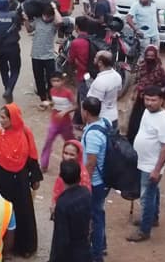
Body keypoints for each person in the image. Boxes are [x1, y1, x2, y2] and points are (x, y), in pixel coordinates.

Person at [0, 104, 42, 257]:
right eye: (0, 117)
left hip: (21, 181)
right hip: (3, 182)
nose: (1, 121)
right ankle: (4, 247)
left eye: (4, 118)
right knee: (4, 213)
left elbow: (32, 156)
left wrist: (35, 178)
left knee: (23, 211)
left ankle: (26, 247)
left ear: (13, 118)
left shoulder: (25, 133)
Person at [127, 86, 165, 242]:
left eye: (153, 100)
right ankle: (153, 218)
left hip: (152, 165)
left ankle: (144, 231)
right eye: (147, 99)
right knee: (153, 192)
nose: (149, 103)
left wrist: (156, 170)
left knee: (146, 197)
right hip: (143, 161)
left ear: (161, 100)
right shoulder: (147, 111)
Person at [81, 96, 111, 261]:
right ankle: (102, 245)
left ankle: (97, 254)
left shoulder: (92, 134)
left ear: (86, 112)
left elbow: (91, 163)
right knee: (99, 213)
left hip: (95, 182)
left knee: (95, 217)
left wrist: (85, 185)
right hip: (104, 180)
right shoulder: (104, 123)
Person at [48, 159, 92, 262]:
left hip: (71, 253)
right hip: (84, 248)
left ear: (61, 177)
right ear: (79, 176)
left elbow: (62, 238)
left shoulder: (62, 203)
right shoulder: (86, 193)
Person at [127, 45, 165, 143]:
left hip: (153, 101)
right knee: (135, 123)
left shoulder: (159, 70)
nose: (149, 58)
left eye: (152, 56)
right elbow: (135, 80)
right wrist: (135, 91)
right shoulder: (141, 66)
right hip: (140, 100)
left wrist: (163, 101)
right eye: (148, 56)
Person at [39, 73, 76, 171]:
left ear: (63, 81)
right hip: (54, 121)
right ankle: (44, 164)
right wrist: (48, 104)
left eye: (57, 81)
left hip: (66, 123)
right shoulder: (52, 91)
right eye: (53, 81)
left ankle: (75, 163)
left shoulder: (68, 93)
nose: (55, 83)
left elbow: (75, 105)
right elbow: (55, 104)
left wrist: (65, 111)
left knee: (71, 143)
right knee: (48, 142)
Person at [26, 1, 60, 105]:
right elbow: (29, 29)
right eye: (44, 15)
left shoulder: (54, 24)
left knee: (51, 79)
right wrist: (26, 20)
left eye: (48, 16)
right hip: (36, 55)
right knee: (38, 78)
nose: (45, 18)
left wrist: (54, 8)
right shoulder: (37, 20)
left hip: (49, 56)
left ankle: (50, 97)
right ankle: (43, 99)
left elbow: (60, 21)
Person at [49, 140, 92, 213]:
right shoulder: (65, 168)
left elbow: (84, 199)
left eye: (72, 155)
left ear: (79, 155)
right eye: (65, 153)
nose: (67, 157)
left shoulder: (82, 174)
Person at [86, 51, 122, 131]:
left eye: (95, 57)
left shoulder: (100, 81)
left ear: (100, 63)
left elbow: (93, 105)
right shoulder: (117, 76)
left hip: (101, 121)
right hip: (114, 118)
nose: (93, 59)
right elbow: (118, 94)